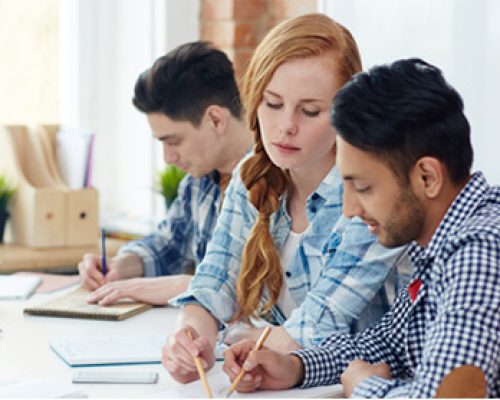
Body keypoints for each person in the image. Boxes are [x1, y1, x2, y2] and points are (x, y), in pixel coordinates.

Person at [222, 58, 500, 398]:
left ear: (427, 177)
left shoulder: (480, 249)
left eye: (363, 187)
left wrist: (364, 388)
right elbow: (391, 344)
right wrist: (295, 367)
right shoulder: (433, 242)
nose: (350, 210)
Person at [164, 14, 410, 384]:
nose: (285, 126)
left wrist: (248, 347)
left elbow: (317, 325)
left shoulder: (371, 192)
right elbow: (213, 281)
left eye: (310, 111)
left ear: (347, 113)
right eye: (273, 103)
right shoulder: (253, 173)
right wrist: (189, 337)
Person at [78, 41, 252, 305]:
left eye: (174, 141)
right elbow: (169, 244)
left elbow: (255, 291)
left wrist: (177, 286)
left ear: (216, 119)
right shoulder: (200, 179)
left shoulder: (276, 180)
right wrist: (121, 265)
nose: (168, 158)